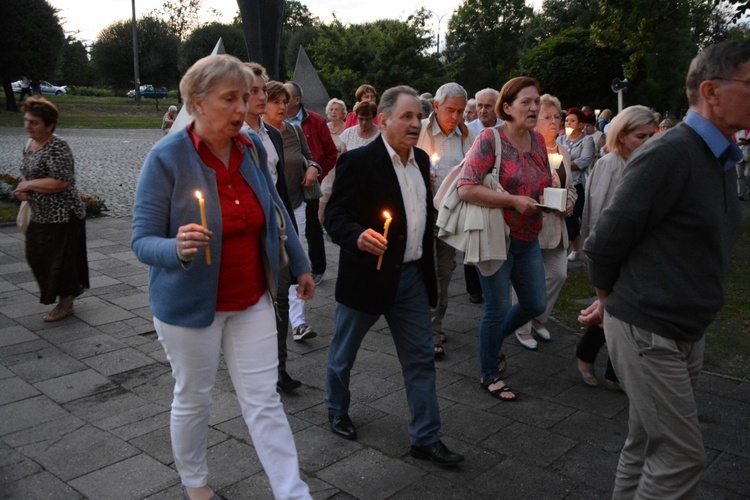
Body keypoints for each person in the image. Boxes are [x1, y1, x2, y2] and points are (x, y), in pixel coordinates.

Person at [131, 54, 314, 500]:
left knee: (264, 400)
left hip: (251, 297)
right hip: (190, 307)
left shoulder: (249, 147)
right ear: (197, 101)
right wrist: (175, 247)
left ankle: (293, 493)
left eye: (245, 97)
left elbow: (275, 210)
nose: (241, 108)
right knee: (194, 398)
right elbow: (141, 241)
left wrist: (301, 263)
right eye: (229, 99)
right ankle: (196, 486)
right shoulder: (167, 158)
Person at [579, 41, 748, 498]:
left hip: (685, 328)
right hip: (649, 329)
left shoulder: (720, 156)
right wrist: (609, 304)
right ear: (712, 91)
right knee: (681, 456)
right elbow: (603, 244)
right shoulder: (670, 153)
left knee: (647, 440)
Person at [323, 85, 464, 467]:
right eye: (406, 116)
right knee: (343, 354)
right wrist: (357, 236)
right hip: (368, 276)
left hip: (412, 278)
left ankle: (425, 437)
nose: (415, 124)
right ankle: (337, 408)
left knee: (420, 359)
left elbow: (421, 213)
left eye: (418, 116)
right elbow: (335, 217)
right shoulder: (357, 162)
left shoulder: (420, 159)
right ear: (383, 120)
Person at [457, 77, 552, 400]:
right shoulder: (489, 139)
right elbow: (467, 187)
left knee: (534, 303)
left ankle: (492, 344)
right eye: (526, 102)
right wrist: (512, 201)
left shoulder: (538, 141)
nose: (535, 107)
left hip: (528, 239)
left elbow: (544, 183)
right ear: (507, 108)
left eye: (536, 101)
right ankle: (489, 373)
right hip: (497, 237)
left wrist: (560, 200)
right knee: (496, 309)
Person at [576, 105, 656, 388]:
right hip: (614, 250)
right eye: (640, 136)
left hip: (640, 249)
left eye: (651, 135)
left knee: (621, 310)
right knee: (615, 307)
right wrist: (603, 256)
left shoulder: (648, 162)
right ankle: (596, 359)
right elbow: (599, 213)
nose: (648, 142)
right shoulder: (609, 164)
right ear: (621, 136)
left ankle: (612, 368)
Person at [241, 62, 303, 394]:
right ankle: (254, 368)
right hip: (247, 234)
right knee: (253, 304)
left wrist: (292, 241)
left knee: (280, 300)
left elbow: (278, 193)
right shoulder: (236, 137)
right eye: (255, 90)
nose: (263, 96)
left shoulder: (274, 136)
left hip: (276, 231)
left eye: (264, 89)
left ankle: (279, 369)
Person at [13, 97, 89, 323]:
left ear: (50, 125)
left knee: (61, 261)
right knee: (36, 255)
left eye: (34, 122)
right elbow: (27, 172)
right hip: (41, 213)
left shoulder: (58, 146)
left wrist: (29, 185)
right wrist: (22, 187)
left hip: (63, 215)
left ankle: (66, 303)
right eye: (27, 121)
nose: (28, 126)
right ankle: (71, 289)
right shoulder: (30, 144)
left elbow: (62, 181)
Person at [417, 82, 477, 359]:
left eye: (461, 111)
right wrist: (420, 174)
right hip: (418, 212)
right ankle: (421, 327)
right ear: (437, 106)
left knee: (444, 272)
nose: (456, 116)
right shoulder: (418, 129)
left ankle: (434, 326)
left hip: (449, 215)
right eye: (450, 110)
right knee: (420, 271)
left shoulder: (467, 136)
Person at [513, 94, 576, 349]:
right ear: (534, 120)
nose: (553, 121)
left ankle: (540, 318)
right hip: (532, 226)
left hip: (557, 228)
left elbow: (571, 187)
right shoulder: (526, 150)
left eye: (556, 117)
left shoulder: (563, 150)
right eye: (546, 117)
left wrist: (569, 202)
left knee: (558, 275)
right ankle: (522, 326)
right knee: (526, 279)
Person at [265, 81, 320, 343]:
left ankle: (298, 323)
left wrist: (312, 168)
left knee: (297, 258)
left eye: (284, 102)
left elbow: (310, 158)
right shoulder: (258, 135)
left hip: (295, 205)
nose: (282, 107)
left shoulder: (295, 131)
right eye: (276, 101)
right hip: (268, 212)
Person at [284, 81, 337, 286]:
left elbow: (330, 153)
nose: (281, 102)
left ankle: (318, 268)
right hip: (282, 186)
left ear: (297, 100)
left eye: (286, 97)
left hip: (307, 188)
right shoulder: (269, 122)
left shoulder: (315, 122)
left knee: (313, 229)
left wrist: (316, 175)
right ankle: (288, 268)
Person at [558, 107, 594, 261]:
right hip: (561, 183)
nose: (568, 123)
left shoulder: (587, 140)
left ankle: (563, 253)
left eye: (572, 121)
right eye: (566, 120)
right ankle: (577, 249)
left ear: (580, 124)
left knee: (572, 216)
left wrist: (563, 162)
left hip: (578, 184)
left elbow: (584, 161)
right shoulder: (560, 139)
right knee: (568, 218)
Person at [736, 128, 750, 200]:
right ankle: (740, 194)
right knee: (740, 176)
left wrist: (746, 141)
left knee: (747, 175)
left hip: (748, 155)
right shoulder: (738, 131)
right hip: (738, 154)